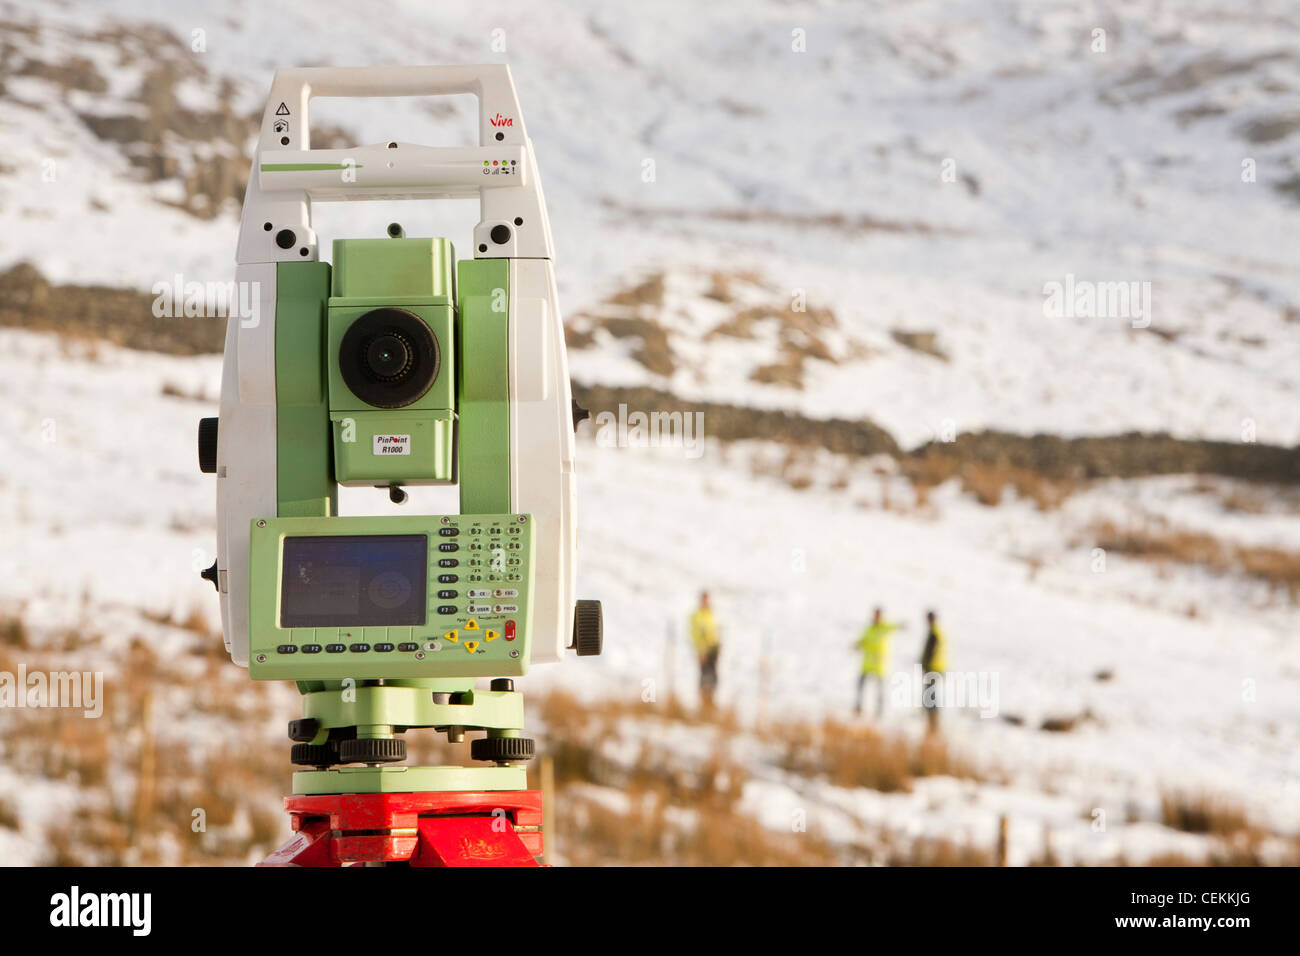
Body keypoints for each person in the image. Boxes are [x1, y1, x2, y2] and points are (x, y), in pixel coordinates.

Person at [853, 608, 900, 717]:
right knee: (861, 686)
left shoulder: (884, 628)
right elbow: (864, 640)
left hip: (879, 665)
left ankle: (879, 711)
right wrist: (858, 645)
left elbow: (895, 627)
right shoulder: (869, 629)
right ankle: (858, 707)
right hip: (867, 664)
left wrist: (901, 625)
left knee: (880, 690)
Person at [689, 591, 721, 708]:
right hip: (703, 651)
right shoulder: (696, 616)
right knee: (705, 677)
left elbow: (715, 633)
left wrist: (718, 650)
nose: (706, 602)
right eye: (704, 599)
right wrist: (700, 652)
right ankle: (703, 702)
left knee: (714, 677)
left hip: (713, 650)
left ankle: (711, 701)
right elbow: (695, 635)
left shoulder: (710, 614)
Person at [920, 610, 947, 733]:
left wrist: (925, 666)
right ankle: (933, 723)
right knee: (931, 696)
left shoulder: (934, 633)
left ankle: (933, 724)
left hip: (933, 668)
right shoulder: (938, 632)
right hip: (938, 668)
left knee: (929, 697)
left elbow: (930, 653)